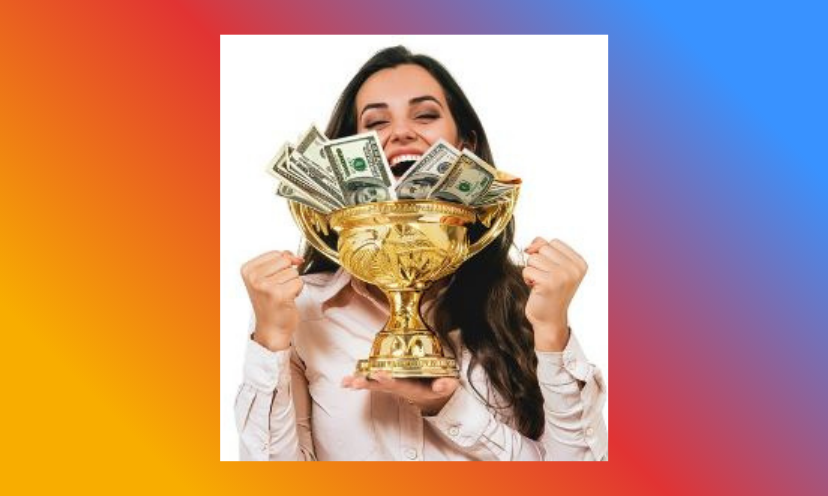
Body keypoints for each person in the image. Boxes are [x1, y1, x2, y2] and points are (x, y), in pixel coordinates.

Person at [235, 46, 608, 461]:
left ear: (464, 144)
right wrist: (269, 340)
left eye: (425, 115)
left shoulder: (527, 302)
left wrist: (550, 332)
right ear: (343, 160)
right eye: (376, 121)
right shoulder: (300, 308)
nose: (401, 132)